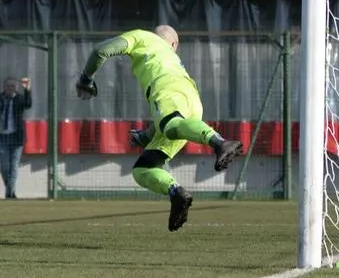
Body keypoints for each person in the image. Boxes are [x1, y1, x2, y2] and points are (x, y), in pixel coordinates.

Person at [75, 25, 243, 231]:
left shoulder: (142, 36)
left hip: (167, 88)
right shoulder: (174, 61)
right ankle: (176, 193)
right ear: (174, 45)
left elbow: (100, 51)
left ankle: (219, 142)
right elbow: (165, 123)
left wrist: (86, 78)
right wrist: (145, 137)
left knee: (171, 124)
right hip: (193, 104)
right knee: (143, 168)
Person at [0, 76, 32, 199]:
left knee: (14, 166)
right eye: (8, 86)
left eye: (13, 86)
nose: (10, 89)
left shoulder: (19, 99)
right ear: (4, 87)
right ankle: (11, 191)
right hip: (2, 137)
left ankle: (9, 193)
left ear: (16, 88)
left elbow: (28, 104)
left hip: (16, 137)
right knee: (4, 166)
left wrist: (27, 90)